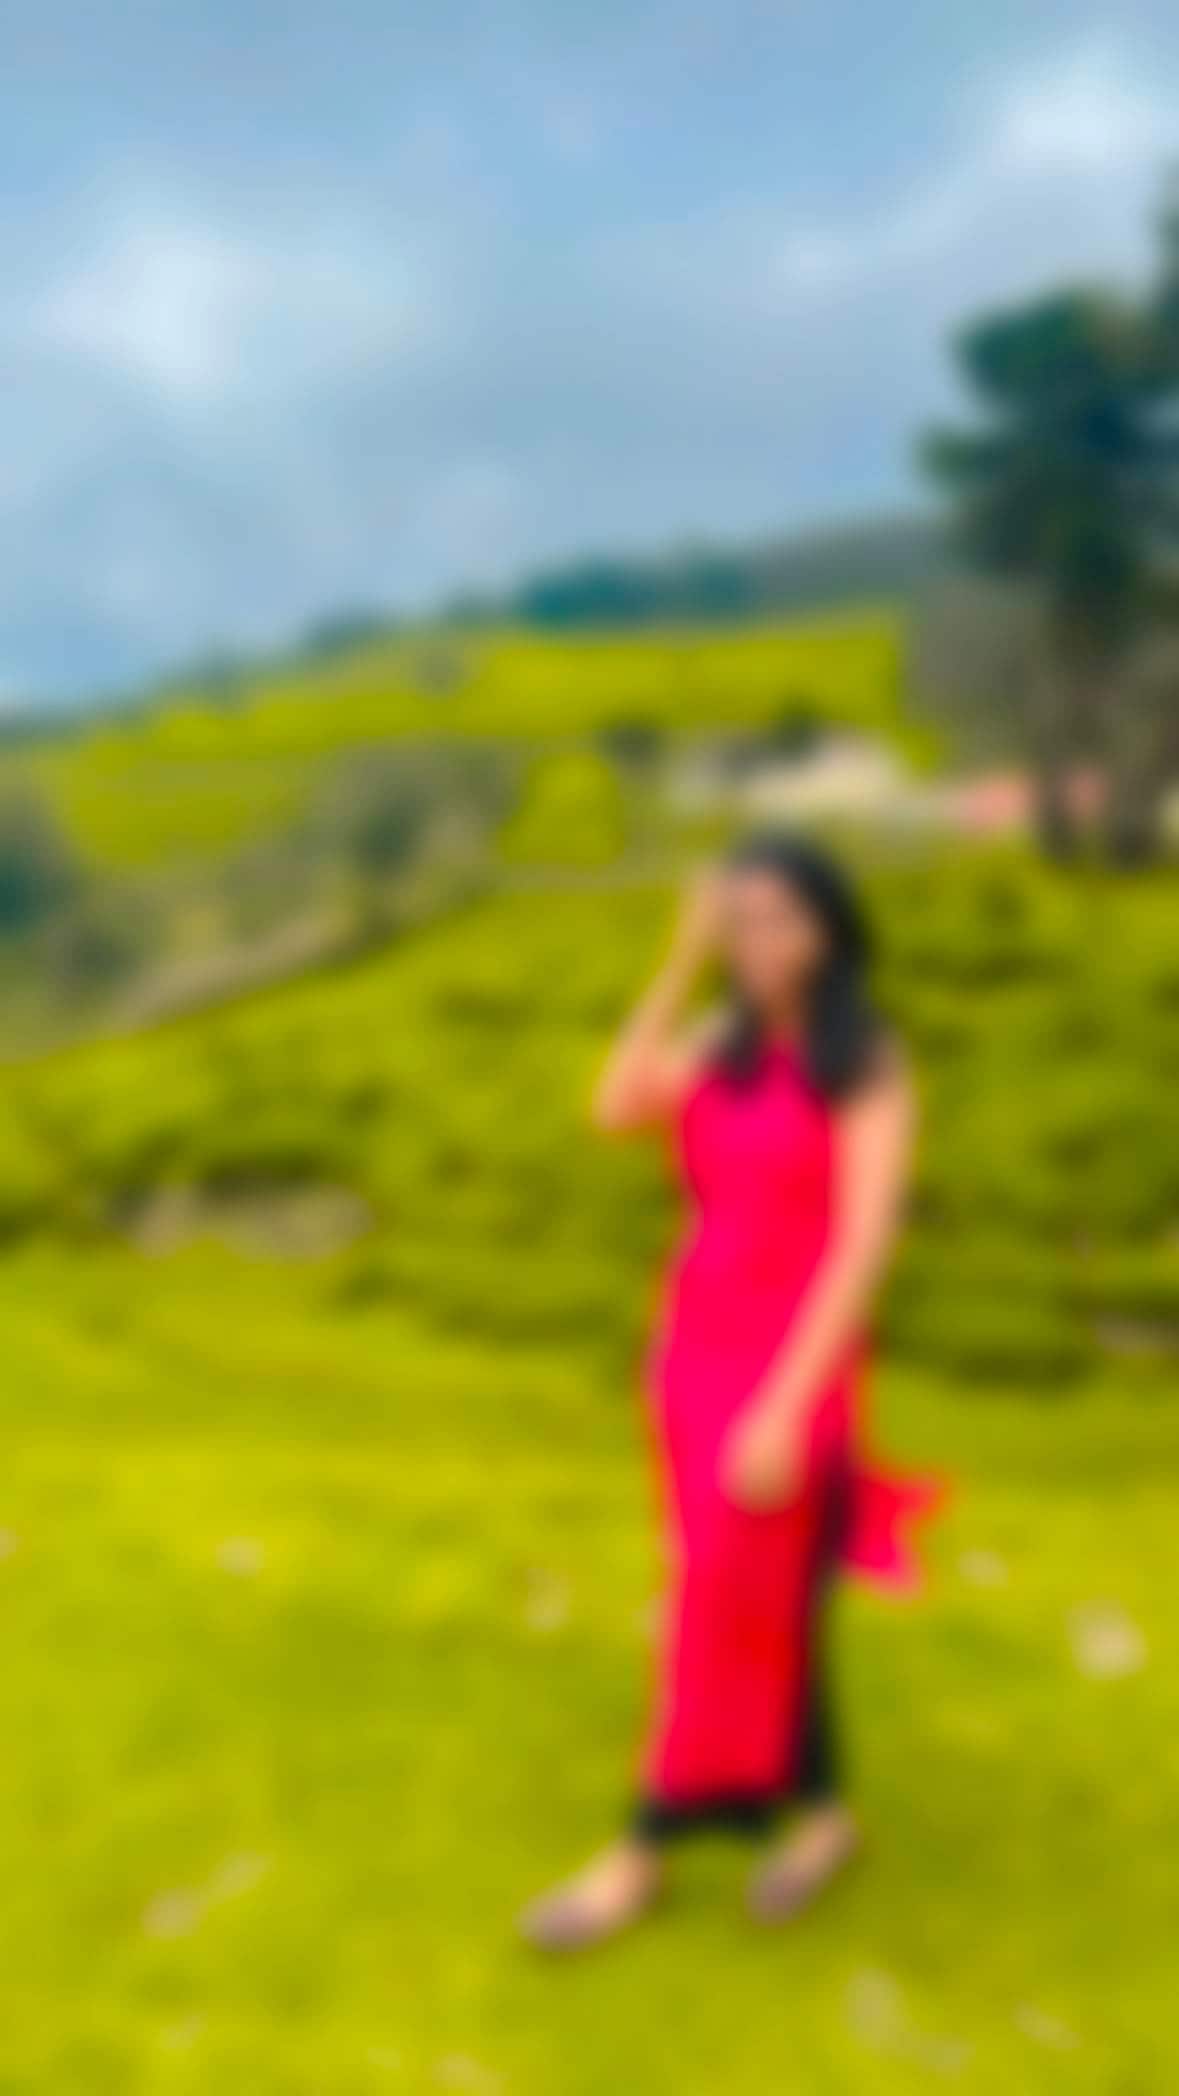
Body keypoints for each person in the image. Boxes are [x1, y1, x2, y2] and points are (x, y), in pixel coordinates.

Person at [521, 832, 940, 1952]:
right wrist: (677, 962)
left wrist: (787, 1408)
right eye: (740, 918)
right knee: (766, 1595)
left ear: (828, 931)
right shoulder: (721, 1041)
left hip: (793, 1363)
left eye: (779, 918)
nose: (757, 941)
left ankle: (640, 1850)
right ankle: (824, 1816)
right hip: (694, 1352)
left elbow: (862, 1247)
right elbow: (614, 1106)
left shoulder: (867, 1061)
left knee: (713, 1604)